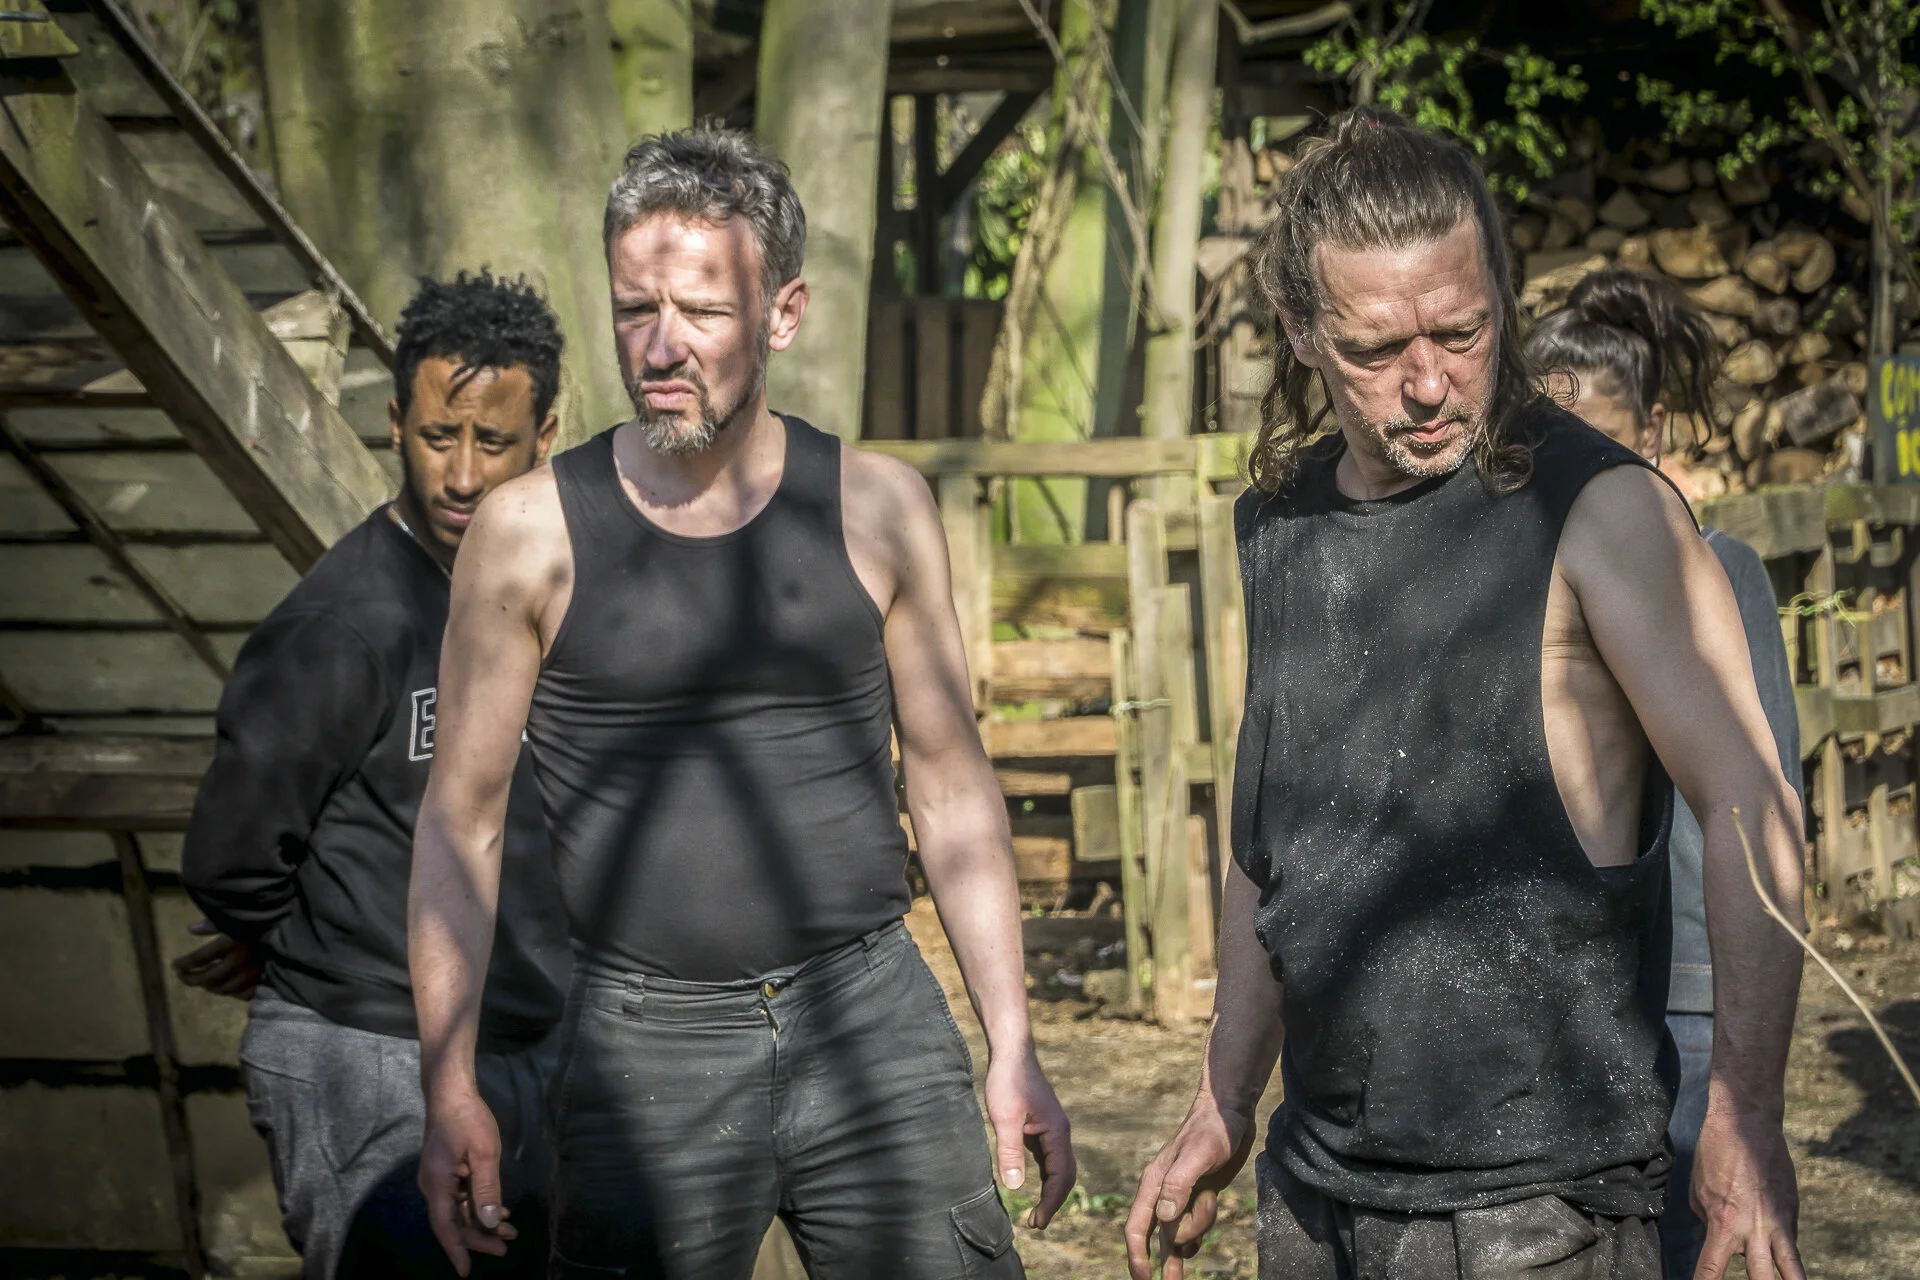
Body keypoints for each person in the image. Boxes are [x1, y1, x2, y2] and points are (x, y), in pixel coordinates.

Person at [1125, 108, 1806, 1280]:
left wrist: (1746, 1109)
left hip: (1537, 1209)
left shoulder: (1604, 512)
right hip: (1314, 1187)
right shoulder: (1282, 523)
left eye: (1463, 329)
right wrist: (1225, 1096)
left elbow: (1752, 800)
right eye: (1377, 348)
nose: (1430, 382)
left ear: (1499, 292)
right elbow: (1269, 841)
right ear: (1298, 327)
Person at [408, 125, 1075, 1280]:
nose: (662, 345)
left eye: (703, 311)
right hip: (642, 1040)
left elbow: (952, 785)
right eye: (634, 309)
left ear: (783, 313)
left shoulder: (878, 508)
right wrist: (447, 1078)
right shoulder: (526, 534)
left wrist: (1011, 1041)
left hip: (870, 1016)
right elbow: (460, 819)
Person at [178, 272, 572, 1280]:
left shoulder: (550, 600)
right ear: (395, 423)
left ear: (546, 437)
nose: (462, 474)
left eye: (493, 441)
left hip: (530, 1046)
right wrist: (321, 949)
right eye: (439, 435)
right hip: (367, 1054)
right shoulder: (340, 627)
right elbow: (230, 858)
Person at [1525, 268, 1804, 1278]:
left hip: (1691, 979)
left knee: (1697, 1234)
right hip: (1585, 986)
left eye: (1597, 439)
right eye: (1543, 441)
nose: (1569, 470)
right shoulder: (1529, 582)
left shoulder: (1717, 569)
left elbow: (1766, 796)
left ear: (1652, 431)